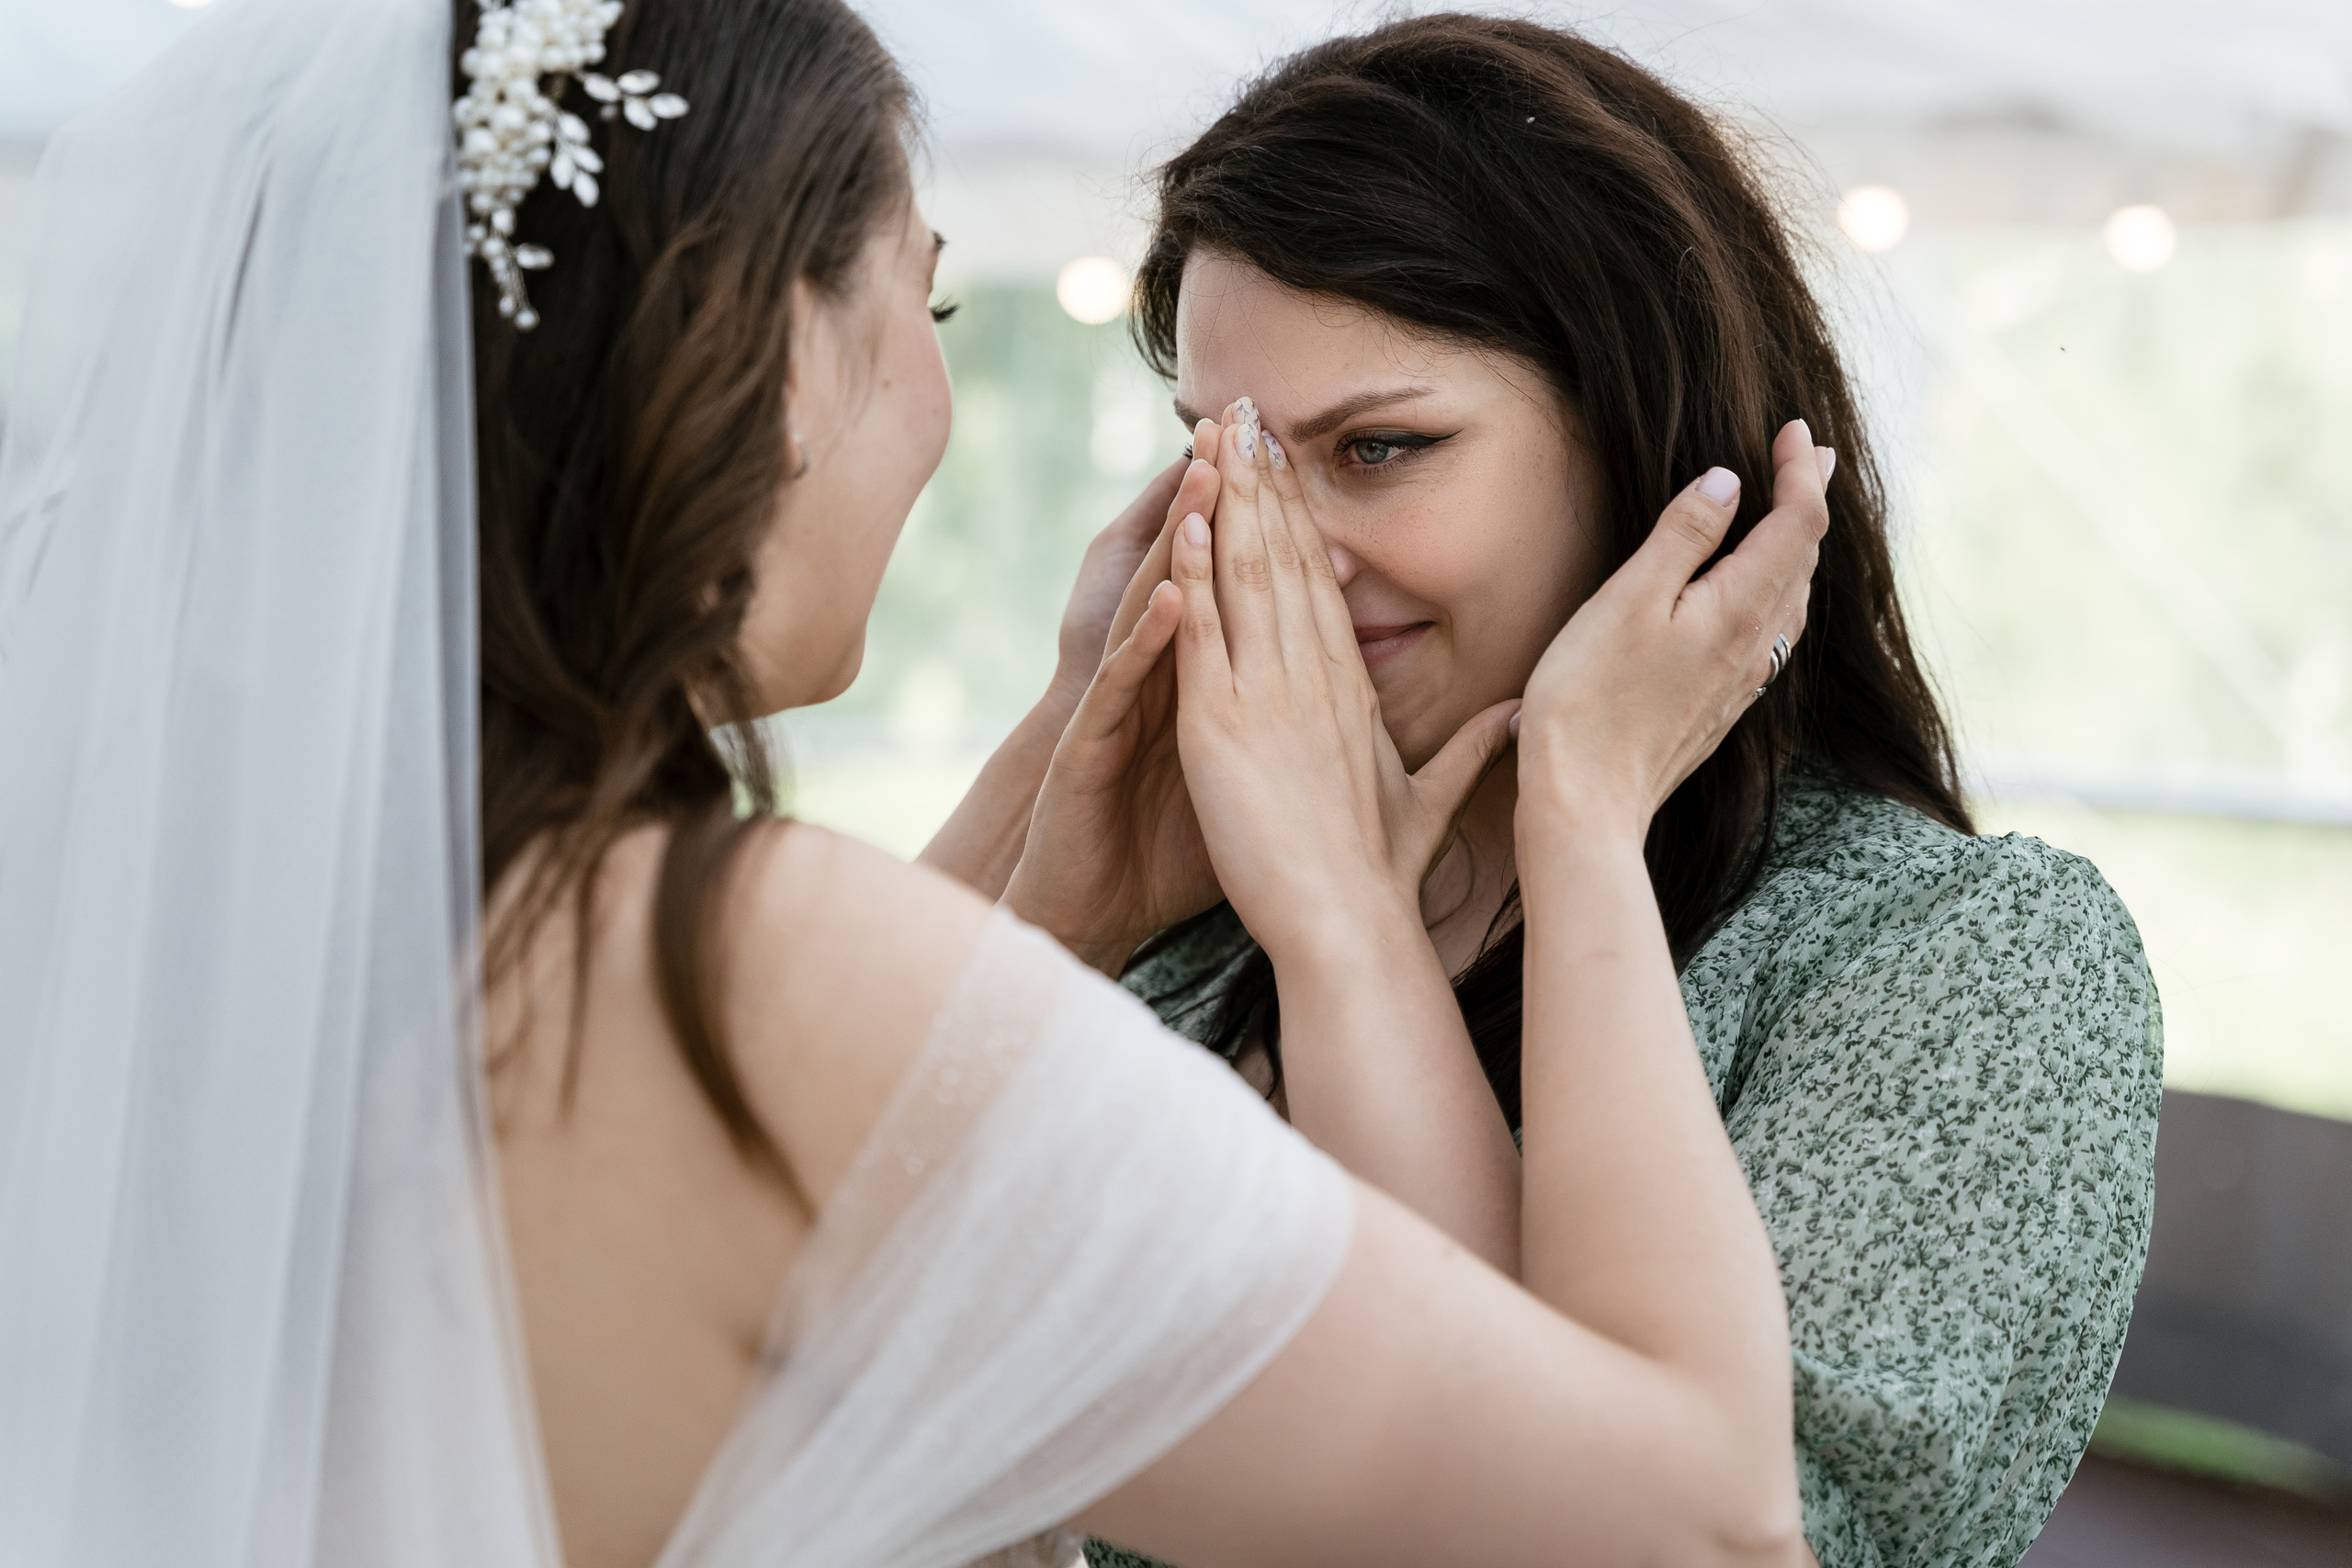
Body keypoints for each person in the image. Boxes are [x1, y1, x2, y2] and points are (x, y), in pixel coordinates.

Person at [0, 2, 1833, 1566]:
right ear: (778, 358)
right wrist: (1575, 809)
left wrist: (1056, 885)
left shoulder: (222, 927)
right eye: (927, 317)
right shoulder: (736, 970)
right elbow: (1697, 1525)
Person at [926, 17, 2164, 1568]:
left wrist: (1520, 850)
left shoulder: (1966, 964)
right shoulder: (1188, 941)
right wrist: (1062, 834)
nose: (1272, 545)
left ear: (1645, 451)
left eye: (1378, 447)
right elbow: (799, 1352)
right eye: (1225, 457)